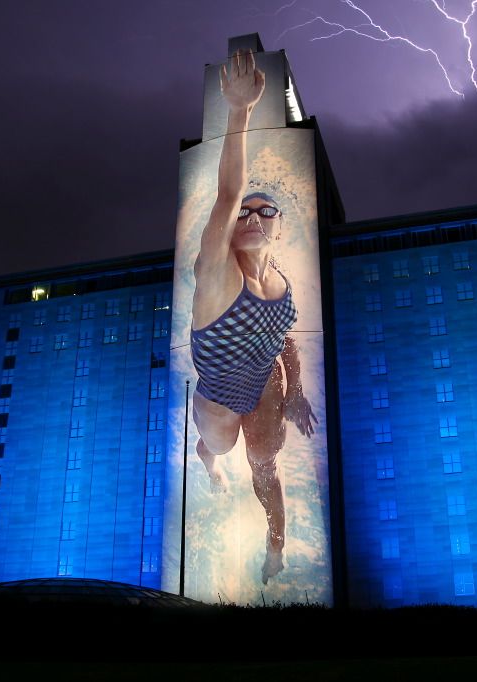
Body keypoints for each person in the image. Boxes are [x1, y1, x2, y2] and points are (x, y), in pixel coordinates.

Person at [189, 49, 317, 585]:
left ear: (280, 229)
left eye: (267, 211)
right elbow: (227, 194)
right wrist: (239, 112)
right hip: (219, 396)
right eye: (245, 213)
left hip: (264, 386)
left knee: (264, 465)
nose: (252, 216)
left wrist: (295, 393)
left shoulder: (281, 281)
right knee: (217, 448)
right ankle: (214, 467)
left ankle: (276, 547)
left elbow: (282, 336)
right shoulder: (218, 272)